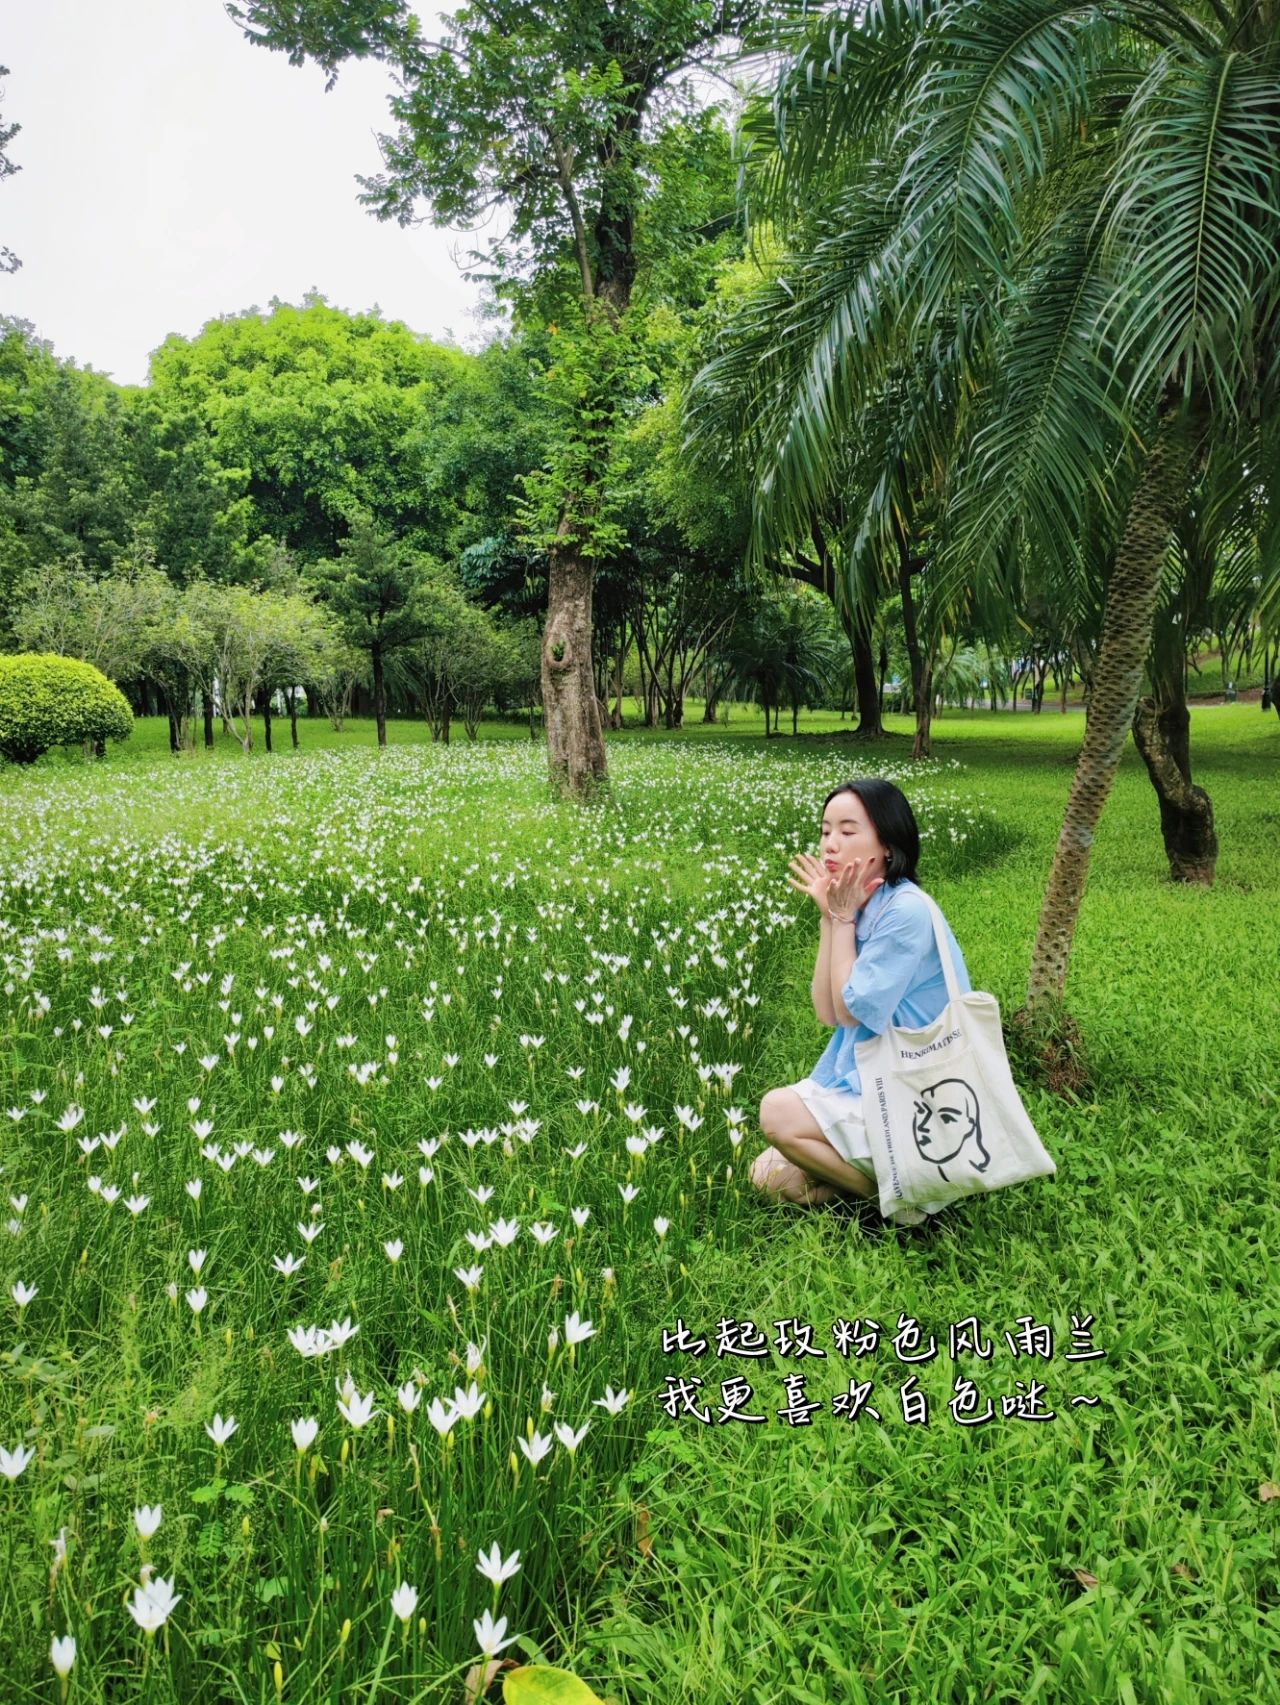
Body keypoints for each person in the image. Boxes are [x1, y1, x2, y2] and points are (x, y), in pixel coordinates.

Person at [750, 777, 972, 1228]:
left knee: (776, 1111)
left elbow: (852, 1011)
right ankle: (897, 1186)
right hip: (870, 1077)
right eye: (826, 829)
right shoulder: (862, 904)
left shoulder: (905, 910)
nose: (830, 844)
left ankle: (903, 1202)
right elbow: (827, 1011)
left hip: (913, 1091)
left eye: (848, 831)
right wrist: (832, 918)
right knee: (767, 1175)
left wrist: (842, 915)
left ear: (887, 845)